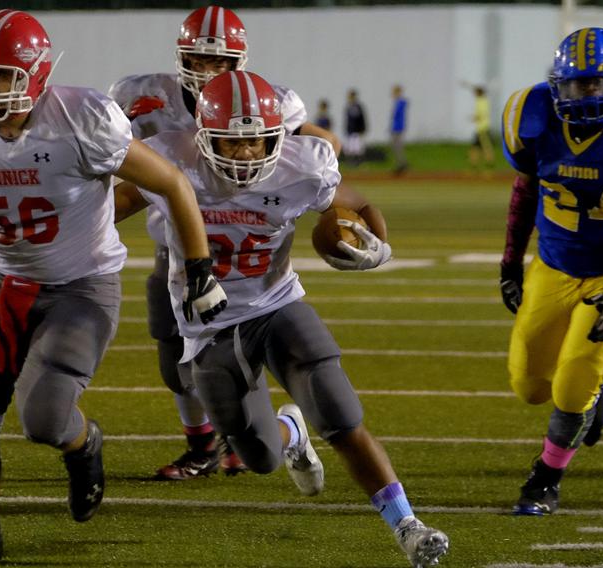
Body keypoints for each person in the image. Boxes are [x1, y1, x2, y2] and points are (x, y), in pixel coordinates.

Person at [0, 10, 226, 565]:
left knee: (46, 420)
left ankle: (85, 445)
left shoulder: (82, 119)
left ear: (33, 76)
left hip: (81, 285)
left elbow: (173, 182)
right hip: (1, 281)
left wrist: (199, 265)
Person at [115, 70, 448, 568]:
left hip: (277, 304)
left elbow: (357, 204)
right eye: (233, 141)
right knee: (259, 456)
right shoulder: (169, 157)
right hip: (208, 327)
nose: (248, 154)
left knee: (341, 415)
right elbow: (101, 208)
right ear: (204, 136)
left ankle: (407, 524)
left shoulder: (303, 165)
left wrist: (377, 245)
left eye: (259, 141)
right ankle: (291, 434)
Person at [107, 4, 340, 481]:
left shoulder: (266, 100)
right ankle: (204, 444)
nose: (209, 71)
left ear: (242, 61)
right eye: (198, 60)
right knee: (177, 366)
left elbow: (320, 145)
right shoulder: (141, 97)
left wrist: (285, 196)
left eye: (221, 62)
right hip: (175, 246)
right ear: (180, 58)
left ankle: (235, 439)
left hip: (249, 252)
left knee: (232, 358)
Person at [499, 27, 603, 516]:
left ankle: (544, 480)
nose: (581, 95)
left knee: (573, 382)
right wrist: (510, 262)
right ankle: (602, 379)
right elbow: (524, 192)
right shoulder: (531, 115)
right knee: (530, 386)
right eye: (572, 85)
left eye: (594, 85)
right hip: (554, 266)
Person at [469, 85, 495, 174]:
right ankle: (474, 168)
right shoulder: (482, 101)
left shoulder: (482, 102)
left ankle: (489, 168)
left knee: (486, 148)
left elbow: (481, 115)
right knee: (475, 148)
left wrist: (474, 118)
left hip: (483, 129)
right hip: (480, 129)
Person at [344, 88, 368, 167]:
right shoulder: (348, 107)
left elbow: (362, 118)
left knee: (357, 148)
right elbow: (347, 120)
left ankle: (358, 162)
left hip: (357, 130)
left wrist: (363, 129)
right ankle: (351, 163)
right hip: (350, 131)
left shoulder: (358, 107)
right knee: (350, 148)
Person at [390, 84, 408, 175]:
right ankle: (400, 163)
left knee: (398, 147)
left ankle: (402, 164)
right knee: (396, 147)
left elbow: (397, 116)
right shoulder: (397, 102)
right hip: (396, 127)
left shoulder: (400, 102)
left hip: (398, 128)